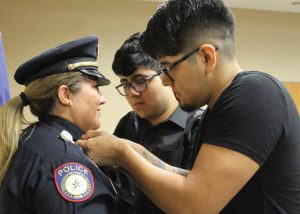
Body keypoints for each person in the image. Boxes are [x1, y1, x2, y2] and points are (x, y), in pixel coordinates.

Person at [77, 0, 300, 213]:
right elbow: (195, 180)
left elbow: (193, 205)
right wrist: (138, 152)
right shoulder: (218, 109)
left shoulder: (254, 93)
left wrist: (123, 154)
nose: (164, 80)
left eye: (168, 67)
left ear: (206, 57)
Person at [0, 35, 134, 213]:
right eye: (95, 87)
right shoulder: (65, 160)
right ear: (65, 95)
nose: (103, 99)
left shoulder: (36, 140)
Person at [107, 32, 203, 214]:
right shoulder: (128, 123)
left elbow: (197, 197)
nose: (132, 93)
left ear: (165, 73)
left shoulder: (198, 125)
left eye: (140, 81)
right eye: (125, 84)